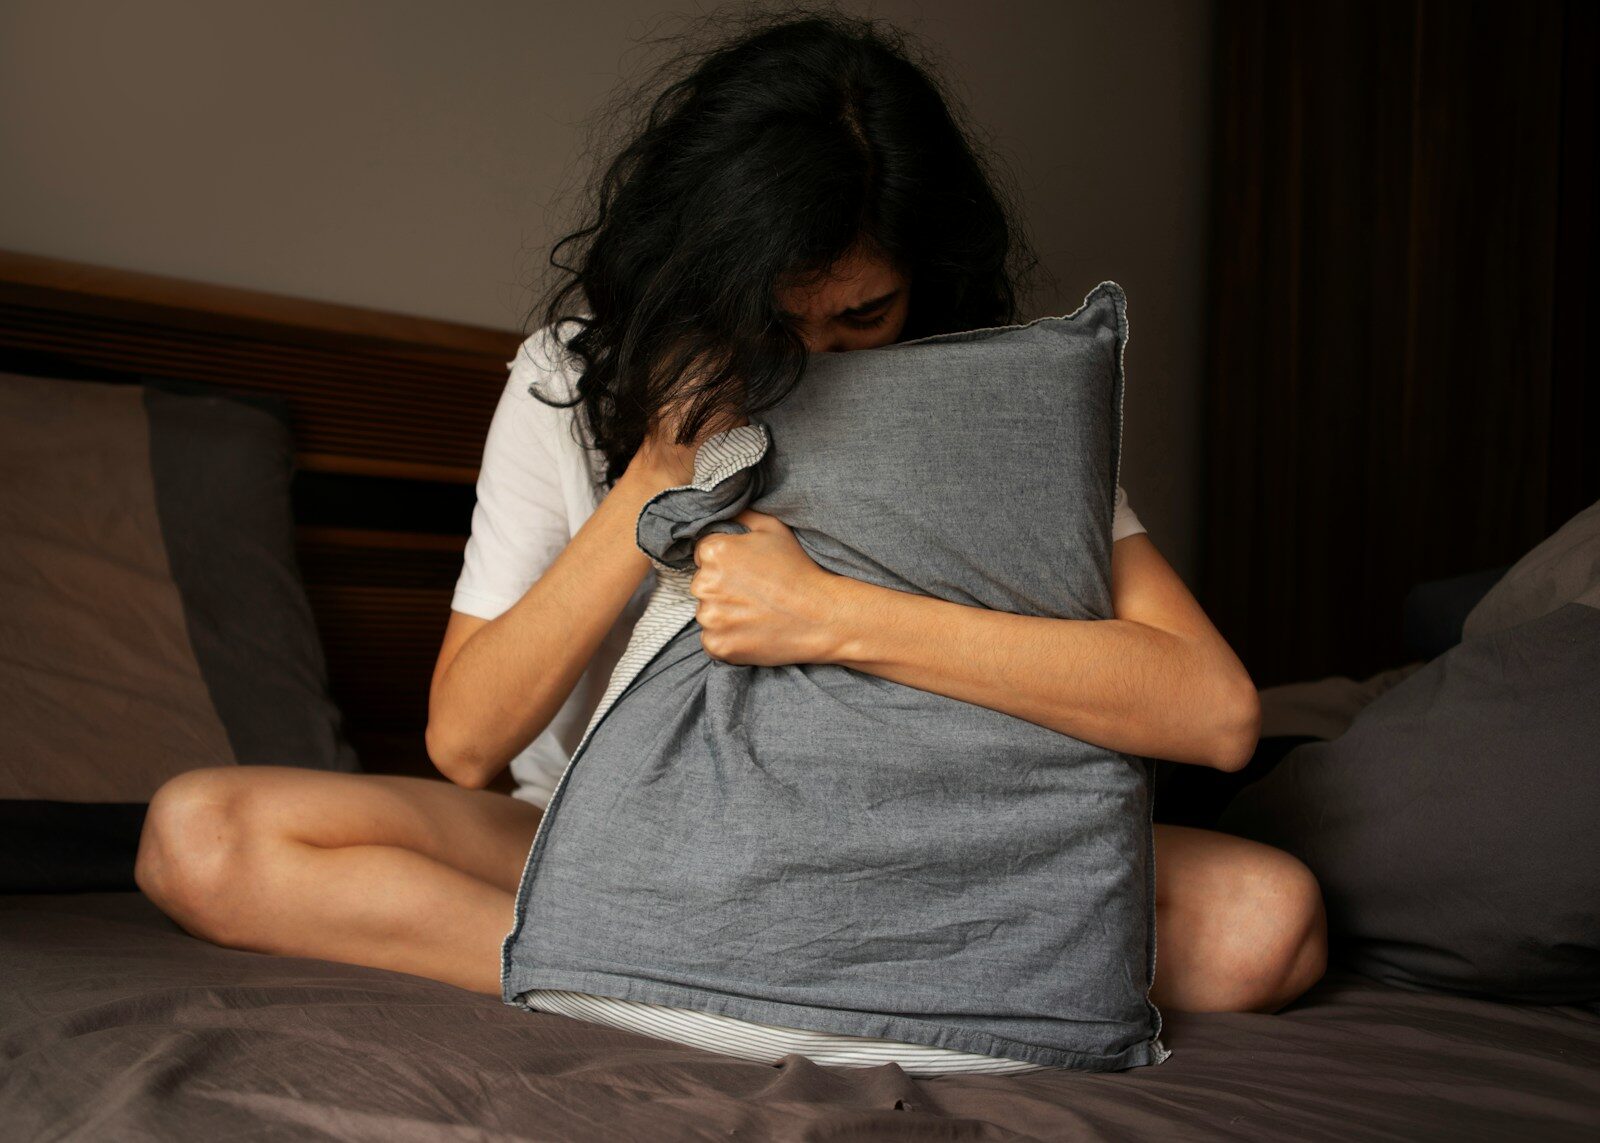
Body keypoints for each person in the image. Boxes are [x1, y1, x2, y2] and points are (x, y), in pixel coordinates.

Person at [135, 9, 1326, 1068]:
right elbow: (464, 743)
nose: (816, 356)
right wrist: (651, 475)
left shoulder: (995, 412)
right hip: (613, 845)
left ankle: (686, 980)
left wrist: (837, 618)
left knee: (1267, 922)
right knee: (200, 836)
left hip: (918, 851)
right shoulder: (570, 378)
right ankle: (687, 970)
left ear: (926, 274)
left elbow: (1211, 712)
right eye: (776, 317)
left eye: (864, 314)